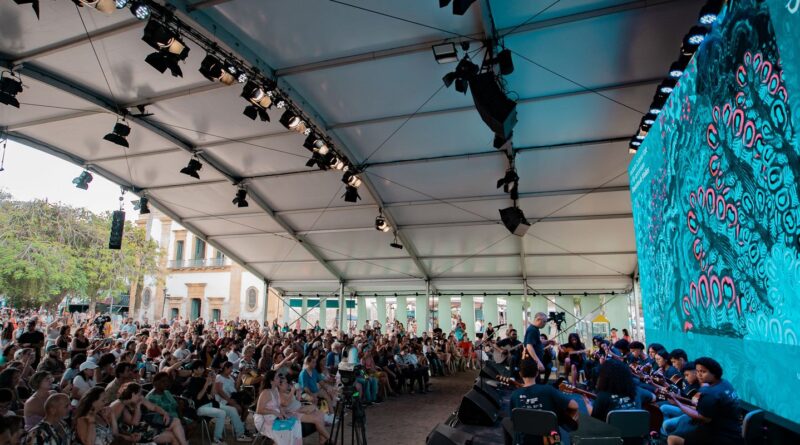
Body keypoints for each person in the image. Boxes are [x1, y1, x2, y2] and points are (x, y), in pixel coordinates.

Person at [667, 357, 743, 445]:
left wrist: (677, 402)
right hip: (734, 430)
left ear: (714, 373)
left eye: (703, 372)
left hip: (721, 436)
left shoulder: (710, 393)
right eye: (697, 371)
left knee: (672, 438)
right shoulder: (725, 383)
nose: (699, 375)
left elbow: (702, 418)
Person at [506, 358, 578, 445]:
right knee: (557, 436)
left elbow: (513, 419)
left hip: (524, 441)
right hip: (552, 439)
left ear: (520, 374)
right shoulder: (548, 390)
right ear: (537, 373)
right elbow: (575, 406)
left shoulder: (514, 395)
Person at [110, 382, 188, 445]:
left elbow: (154, 407)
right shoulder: (120, 405)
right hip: (134, 434)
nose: (141, 396)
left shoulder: (136, 399)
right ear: (133, 394)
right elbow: (135, 423)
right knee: (173, 435)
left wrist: (164, 413)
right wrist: (138, 407)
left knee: (175, 425)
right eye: (139, 394)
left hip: (145, 426)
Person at [583, 360, 655, 423]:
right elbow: (653, 397)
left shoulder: (602, 397)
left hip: (613, 437)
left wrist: (587, 404)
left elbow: (596, 421)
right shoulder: (637, 391)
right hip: (638, 436)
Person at [253, 370, 304, 445]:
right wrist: (275, 412)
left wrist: (283, 414)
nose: (279, 379)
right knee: (286, 431)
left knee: (296, 423)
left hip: (273, 418)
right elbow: (259, 410)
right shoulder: (266, 392)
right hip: (264, 421)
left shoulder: (276, 390)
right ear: (271, 381)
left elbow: (278, 405)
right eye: (277, 377)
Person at [523, 312, 548, 381]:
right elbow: (529, 346)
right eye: (544, 321)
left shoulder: (535, 329)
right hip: (532, 362)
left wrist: (547, 341)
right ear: (538, 319)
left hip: (533, 361)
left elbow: (536, 342)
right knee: (534, 383)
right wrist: (538, 362)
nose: (545, 324)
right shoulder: (532, 330)